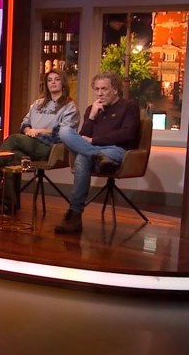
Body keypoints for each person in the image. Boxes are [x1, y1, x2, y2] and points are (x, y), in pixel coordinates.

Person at [0, 68, 79, 214]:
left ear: (63, 83)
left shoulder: (69, 106)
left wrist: (39, 131)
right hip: (31, 141)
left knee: (13, 139)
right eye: (50, 80)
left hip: (51, 147)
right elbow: (25, 122)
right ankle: (8, 204)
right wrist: (27, 130)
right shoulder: (38, 103)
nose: (53, 83)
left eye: (57, 79)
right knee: (12, 157)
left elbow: (65, 132)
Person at [54, 72, 140, 235]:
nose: (100, 93)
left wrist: (95, 141)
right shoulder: (92, 109)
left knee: (82, 157)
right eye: (97, 89)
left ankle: (74, 214)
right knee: (64, 131)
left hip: (116, 150)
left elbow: (127, 134)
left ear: (115, 90)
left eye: (104, 89)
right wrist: (92, 117)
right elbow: (82, 137)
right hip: (98, 153)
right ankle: (97, 156)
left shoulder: (129, 106)